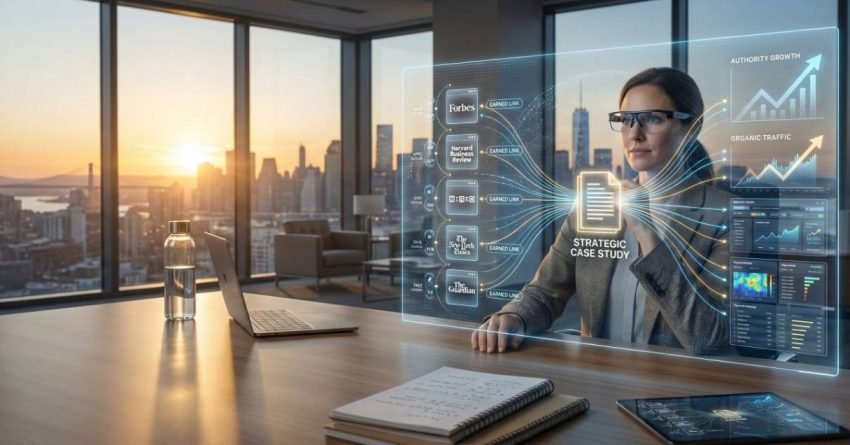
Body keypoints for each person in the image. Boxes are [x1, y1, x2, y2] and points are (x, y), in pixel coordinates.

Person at [471, 67, 734, 356]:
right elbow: (545, 291)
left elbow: (708, 338)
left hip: (675, 392)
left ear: (691, 127)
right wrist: (514, 316)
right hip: (598, 381)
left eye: (653, 120)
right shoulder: (595, 207)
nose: (634, 134)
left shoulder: (722, 217)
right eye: (625, 120)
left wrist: (645, 230)